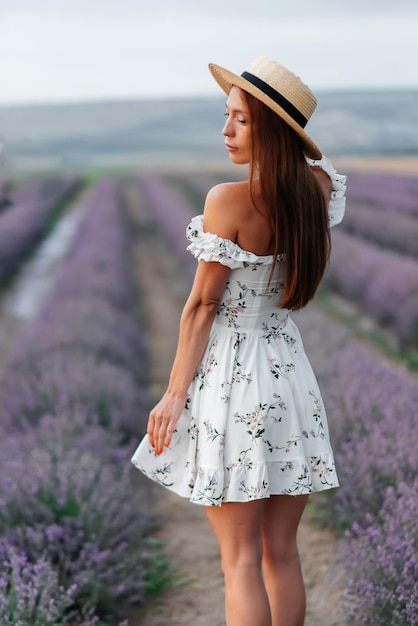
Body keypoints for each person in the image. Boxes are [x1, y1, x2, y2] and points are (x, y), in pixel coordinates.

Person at [131, 56, 347, 626]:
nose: (225, 132)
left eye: (240, 121)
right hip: (289, 371)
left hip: (234, 377)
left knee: (240, 561)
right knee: (282, 554)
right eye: (226, 118)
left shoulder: (227, 201)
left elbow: (203, 304)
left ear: (272, 131)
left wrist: (174, 394)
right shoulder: (318, 189)